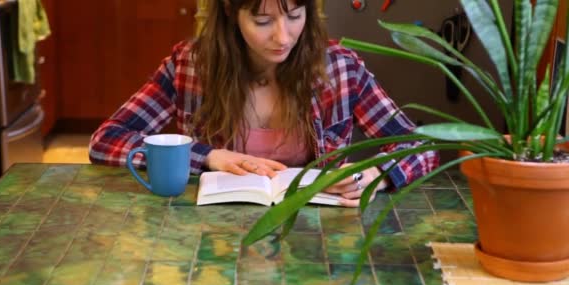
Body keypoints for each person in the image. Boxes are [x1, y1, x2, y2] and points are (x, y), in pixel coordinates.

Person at [89, 0, 439, 207]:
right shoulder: (190, 66)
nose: (283, 36)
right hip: (212, 240)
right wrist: (208, 155)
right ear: (230, 12)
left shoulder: (340, 68)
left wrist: (376, 177)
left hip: (317, 241)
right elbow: (107, 140)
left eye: (295, 15)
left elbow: (423, 146)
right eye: (263, 21)